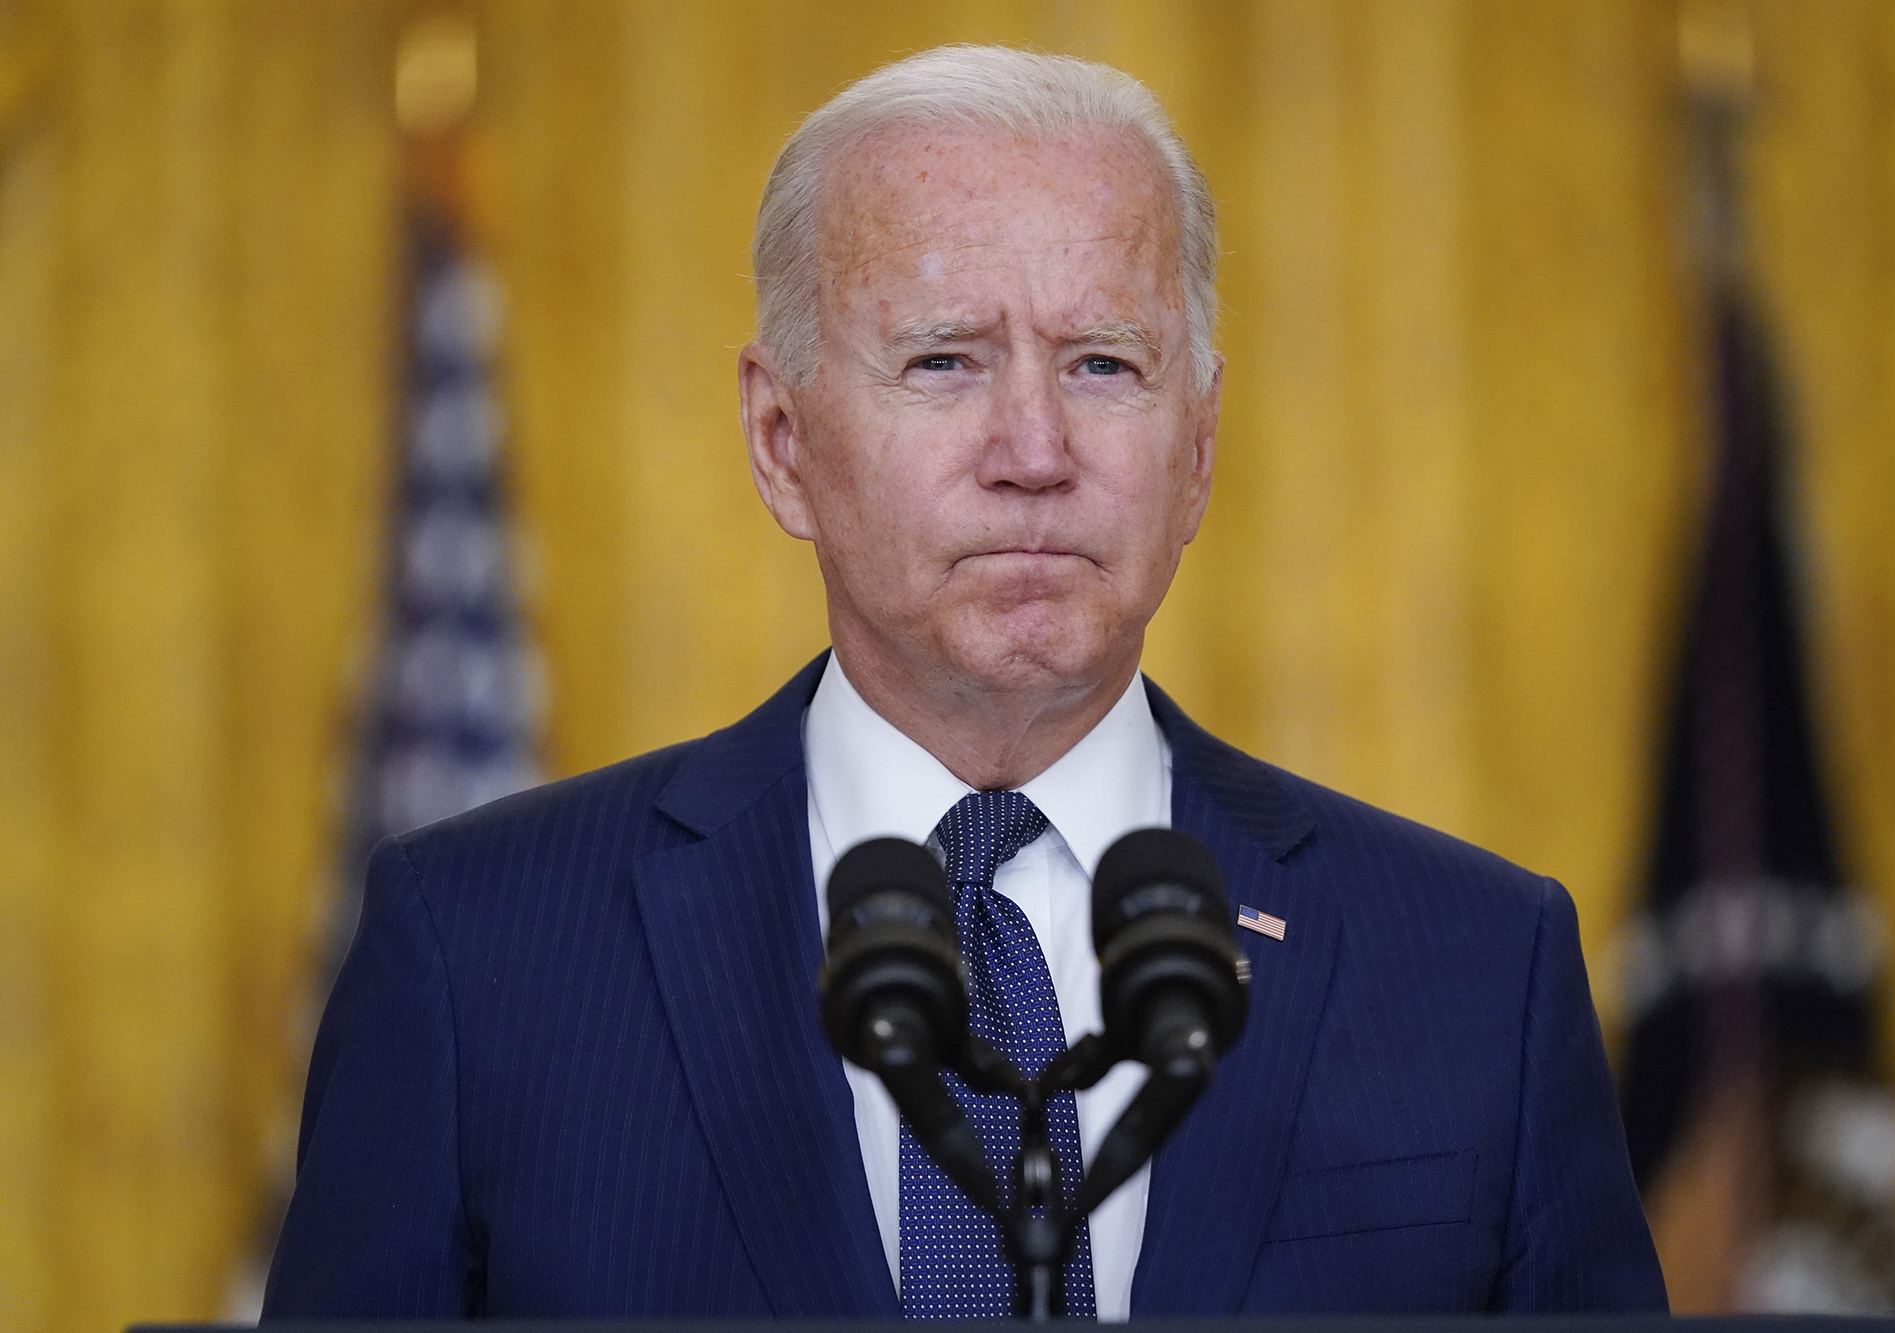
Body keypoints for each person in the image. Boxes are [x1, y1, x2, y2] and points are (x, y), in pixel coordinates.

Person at [263, 45, 1665, 1319]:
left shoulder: (1481, 968)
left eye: (1104, 364)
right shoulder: (479, 954)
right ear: (780, 440)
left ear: (1200, 447)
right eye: (946, 361)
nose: (1035, 449)